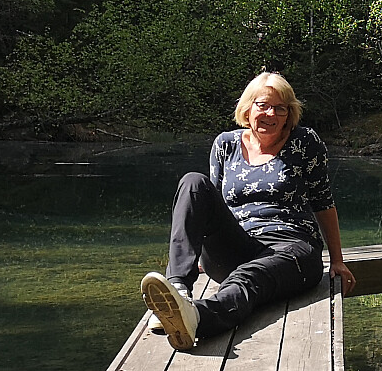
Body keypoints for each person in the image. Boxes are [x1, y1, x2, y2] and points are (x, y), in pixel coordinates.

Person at [141, 71, 355, 351]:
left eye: (280, 108)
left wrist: (337, 260)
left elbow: (323, 202)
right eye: (263, 105)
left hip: (291, 250)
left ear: (289, 113)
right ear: (247, 108)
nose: (271, 114)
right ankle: (178, 287)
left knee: (250, 277)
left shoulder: (305, 143)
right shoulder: (226, 144)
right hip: (237, 246)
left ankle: (194, 317)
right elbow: (210, 203)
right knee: (193, 183)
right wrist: (204, 253)